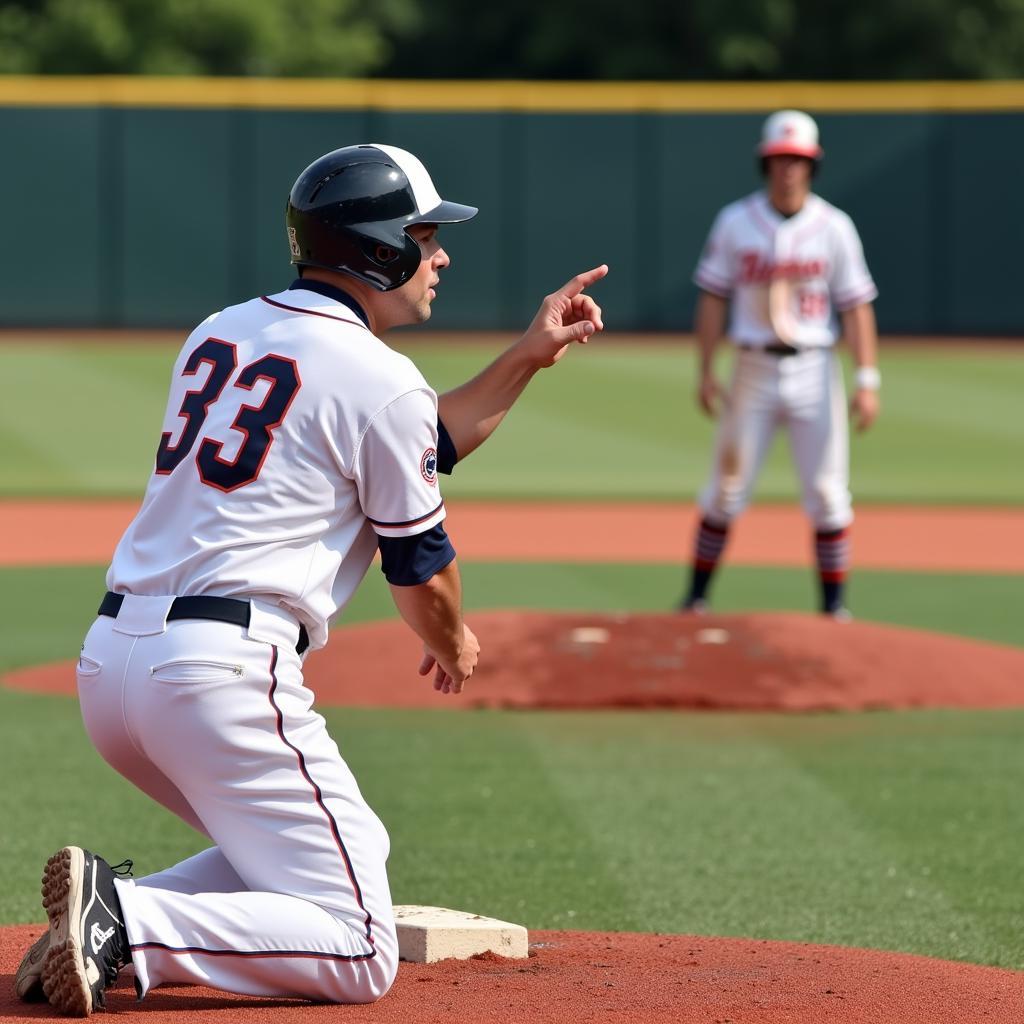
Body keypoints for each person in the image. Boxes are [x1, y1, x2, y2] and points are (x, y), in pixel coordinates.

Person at [16, 142, 606, 1015]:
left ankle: (99, 924)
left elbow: (418, 440)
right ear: (377, 249)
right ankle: (128, 923)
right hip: (220, 675)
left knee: (337, 846)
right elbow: (421, 567)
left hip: (114, 664)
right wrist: (453, 641)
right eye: (423, 233)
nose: (439, 252)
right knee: (363, 947)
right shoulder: (379, 378)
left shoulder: (221, 331)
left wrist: (526, 354)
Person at [678, 110, 880, 619]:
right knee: (725, 490)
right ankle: (696, 601)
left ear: (813, 166)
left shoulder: (834, 226)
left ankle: (835, 610)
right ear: (764, 164)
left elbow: (856, 305)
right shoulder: (735, 221)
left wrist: (867, 378)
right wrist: (705, 370)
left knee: (829, 493)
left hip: (816, 369)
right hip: (752, 369)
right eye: (779, 159)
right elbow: (712, 298)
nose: (788, 168)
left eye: (798, 160)